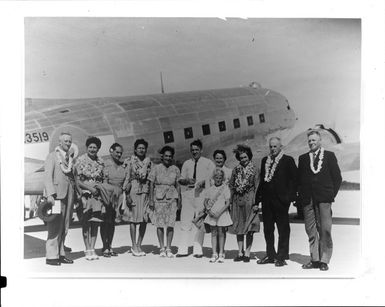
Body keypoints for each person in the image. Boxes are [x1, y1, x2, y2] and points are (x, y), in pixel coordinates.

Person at [298, 130, 342, 271]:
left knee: (325, 230)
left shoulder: (329, 156)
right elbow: (300, 180)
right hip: (308, 200)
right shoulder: (303, 158)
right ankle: (314, 259)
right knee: (310, 230)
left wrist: (330, 195)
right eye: (309, 140)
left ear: (320, 141)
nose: (311, 143)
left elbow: (337, 178)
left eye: (314, 140)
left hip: (324, 199)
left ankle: (324, 260)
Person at [256, 137, 297, 267]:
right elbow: (262, 181)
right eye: (271, 147)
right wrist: (257, 200)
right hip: (267, 202)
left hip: (281, 201)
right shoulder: (264, 161)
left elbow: (294, 180)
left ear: (280, 147)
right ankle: (270, 254)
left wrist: (288, 198)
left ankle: (282, 256)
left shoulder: (288, 160)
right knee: (268, 229)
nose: (273, 149)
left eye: (275, 146)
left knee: (283, 229)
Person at [177, 139, 215, 257]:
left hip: (201, 196)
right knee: (185, 222)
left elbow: (214, 179)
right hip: (188, 196)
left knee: (199, 223)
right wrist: (186, 180)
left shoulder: (208, 163)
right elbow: (180, 180)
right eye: (192, 150)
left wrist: (204, 182)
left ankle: (198, 250)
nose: (194, 152)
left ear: (201, 150)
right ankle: (182, 249)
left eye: (196, 150)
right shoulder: (186, 163)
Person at [43, 132, 76, 265]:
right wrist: (50, 194)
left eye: (70, 141)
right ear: (60, 142)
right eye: (65, 141)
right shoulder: (52, 156)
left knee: (65, 226)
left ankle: (61, 253)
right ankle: (51, 256)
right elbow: (47, 177)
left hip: (68, 195)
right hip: (56, 196)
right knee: (54, 226)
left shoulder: (70, 158)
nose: (68, 143)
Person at [228, 144, 260, 263]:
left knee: (250, 226)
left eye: (245, 157)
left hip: (250, 200)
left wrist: (256, 202)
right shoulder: (236, 170)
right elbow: (231, 185)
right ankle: (240, 252)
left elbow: (257, 186)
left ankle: (247, 252)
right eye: (241, 158)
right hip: (237, 200)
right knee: (239, 225)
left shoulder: (255, 169)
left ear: (249, 157)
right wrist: (231, 201)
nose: (243, 160)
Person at [148, 146, 181, 258]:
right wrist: (151, 200)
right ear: (162, 156)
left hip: (172, 199)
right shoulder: (156, 168)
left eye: (170, 156)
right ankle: (162, 248)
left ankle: (169, 248)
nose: (168, 158)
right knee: (160, 224)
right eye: (166, 156)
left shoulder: (176, 169)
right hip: (159, 198)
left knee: (171, 224)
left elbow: (178, 185)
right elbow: (151, 184)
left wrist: (179, 200)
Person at [75, 136, 105, 260]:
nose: (93, 149)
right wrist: (88, 189)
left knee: (95, 223)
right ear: (87, 148)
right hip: (86, 195)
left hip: (97, 196)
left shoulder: (101, 162)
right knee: (86, 223)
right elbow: (77, 180)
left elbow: (102, 179)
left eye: (95, 147)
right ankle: (87, 249)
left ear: (98, 149)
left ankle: (93, 248)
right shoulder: (80, 160)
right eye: (91, 147)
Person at [124, 139, 152, 257]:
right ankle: (133, 245)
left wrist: (151, 196)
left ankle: (139, 244)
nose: (141, 150)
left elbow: (150, 180)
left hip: (145, 191)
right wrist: (127, 195)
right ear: (135, 149)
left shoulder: (148, 162)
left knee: (144, 219)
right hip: (133, 191)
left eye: (143, 148)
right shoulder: (130, 161)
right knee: (133, 219)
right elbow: (127, 178)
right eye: (139, 148)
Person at [100, 143, 129, 257]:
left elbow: (127, 179)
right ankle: (104, 247)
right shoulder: (105, 164)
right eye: (117, 152)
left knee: (112, 222)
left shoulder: (123, 166)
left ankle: (110, 246)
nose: (119, 154)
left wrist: (126, 188)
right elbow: (103, 180)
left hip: (118, 197)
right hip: (107, 195)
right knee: (105, 222)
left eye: (120, 153)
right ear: (111, 151)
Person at [203, 168, 232, 263]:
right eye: (216, 177)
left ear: (222, 178)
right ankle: (214, 253)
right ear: (213, 178)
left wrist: (219, 213)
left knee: (221, 233)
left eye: (220, 177)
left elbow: (227, 203)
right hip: (212, 214)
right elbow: (206, 202)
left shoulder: (225, 188)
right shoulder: (210, 189)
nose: (218, 179)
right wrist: (209, 211)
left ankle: (221, 253)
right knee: (213, 233)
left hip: (222, 213)